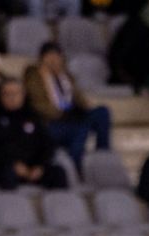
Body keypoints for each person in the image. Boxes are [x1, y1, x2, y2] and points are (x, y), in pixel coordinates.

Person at [24, 43, 112, 173]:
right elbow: (38, 103)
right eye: (50, 56)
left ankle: (102, 154)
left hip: (71, 116)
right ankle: (76, 163)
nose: (54, 59)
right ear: (42, 58)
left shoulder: (65, 76)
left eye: (57, 56)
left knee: (101, 112)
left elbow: (79, 100)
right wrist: (62, 114)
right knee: (81, 126)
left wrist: (80, 106)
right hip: (52, 122)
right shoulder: (34, 76)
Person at [0, 78, 68, 191]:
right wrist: (13, 165)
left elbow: (48, 145)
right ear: (0, 96)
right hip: (5, 168)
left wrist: (40, 166)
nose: (12, 97)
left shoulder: (33, 116)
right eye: (7, 94)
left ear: (23, 95)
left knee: (58, 173)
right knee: (7, 175)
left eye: (16, 93)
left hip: (33, 168)